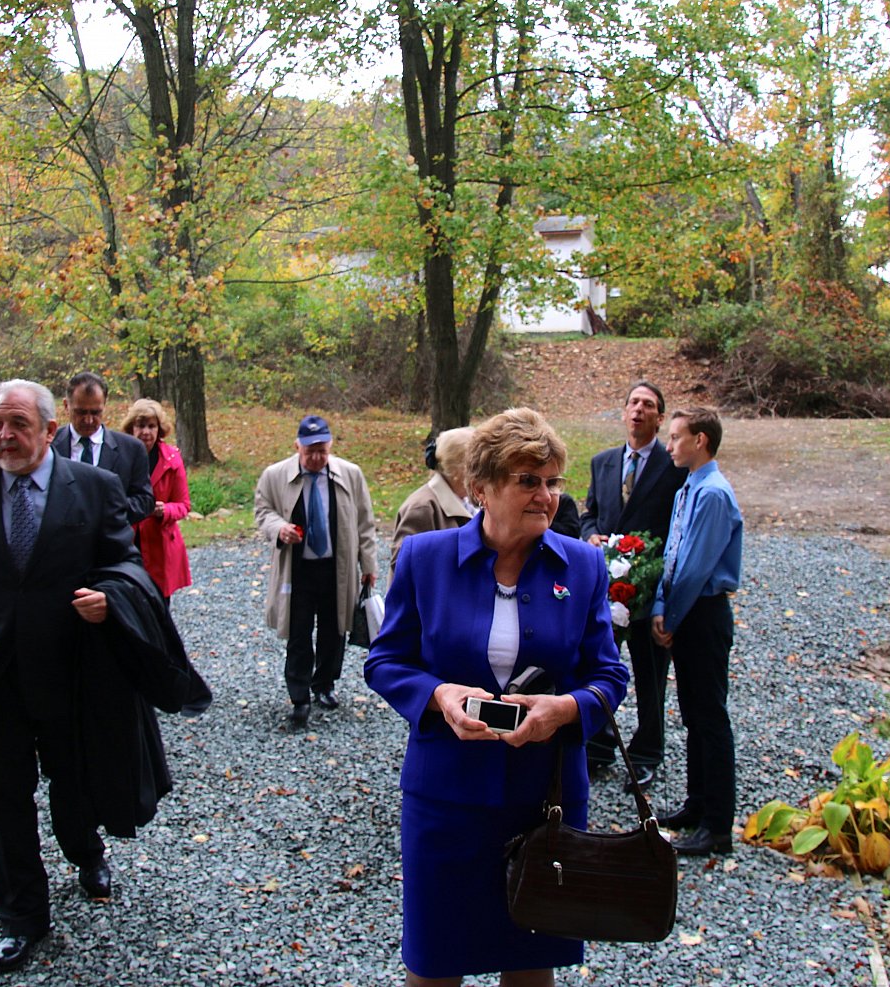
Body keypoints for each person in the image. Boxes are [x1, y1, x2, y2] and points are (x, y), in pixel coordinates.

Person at [0, 379, 200, 973]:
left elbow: (124, 561)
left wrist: (109, 598)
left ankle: (85, 852)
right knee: (4, 797)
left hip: (73, 668)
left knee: (74, 784)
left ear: (50, 430)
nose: (5, 436)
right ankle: (21, 918)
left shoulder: (95, 488)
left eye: (18, 424)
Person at [365, 407, 628, 986]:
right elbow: (384, 661)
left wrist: (564, 710)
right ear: (479, 488)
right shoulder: (425, 559)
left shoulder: (583, 564)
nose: (546, 495)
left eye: (553, 481)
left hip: (545, 798)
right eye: (527, 480)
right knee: (436, 959)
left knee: (531, 960)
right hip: (446, 797)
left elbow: (609, 676)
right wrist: (438, 695)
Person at [579, 380, 687, 791]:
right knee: (598, 668)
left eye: (648, 405)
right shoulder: (603, 462)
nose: (638, 410)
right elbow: (591, 513)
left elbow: (676, 528)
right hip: (604, 588)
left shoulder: (672, 466)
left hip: (647, 590)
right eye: (633, 403)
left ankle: (646, 753)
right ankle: (599, 746)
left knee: (649, 673)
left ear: (660, 418)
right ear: (624, 412)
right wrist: (591, 536)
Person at [650, 407, 743, 859]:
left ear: (701, 441)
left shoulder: (712, 495)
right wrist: (662, 606)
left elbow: (694, 568)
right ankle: (696, 803)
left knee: (710, 718)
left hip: (702, 614)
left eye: (676, 437)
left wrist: (671, 616)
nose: (669, 446)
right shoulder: (690, 487)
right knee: (692, 716)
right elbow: (672, 553)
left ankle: (717, 826)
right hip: (686, 611)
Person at [254, 414, 377, 729]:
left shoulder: (350, 474)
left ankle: (324, 684)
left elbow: (365, 522)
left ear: (330, 446)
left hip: (337, 567)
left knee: (334, 630)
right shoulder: (275, 475)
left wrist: (369, 565)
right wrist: (279, 528)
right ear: (297, 446)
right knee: (298, 632)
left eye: (322, 450)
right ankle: (299, 697)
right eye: (309, 451)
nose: (316, 457)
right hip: (297, 571)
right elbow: (263, 510)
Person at [51, 371, 155, 524]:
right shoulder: (49, 446)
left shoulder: (131, 449)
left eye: (95, 412)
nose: (88, 420)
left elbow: (145, 501)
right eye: (80, 412)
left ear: (104, 405)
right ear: (67, 406)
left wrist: (106, 509)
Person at [119, 398, 192, 607]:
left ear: (159, 430)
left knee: (159, 609)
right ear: (131, 428)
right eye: (140, 425)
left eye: (151, 426)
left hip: (160, 545)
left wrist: (165, 510)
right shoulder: (120, 456)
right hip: (128, 541)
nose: (146, 432)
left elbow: (184, 505)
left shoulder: (172, 459)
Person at [389, 426, 475, 578]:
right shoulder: (423, 508)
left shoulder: (467, 501)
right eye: (476, 465)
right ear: (458, 470)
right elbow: (402, 566)